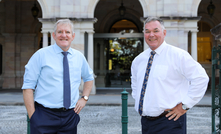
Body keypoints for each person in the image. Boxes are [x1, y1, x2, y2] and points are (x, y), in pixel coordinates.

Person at [131, 17, 209, 134]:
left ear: (164, 32)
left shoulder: (178, 55)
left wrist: (184, 106)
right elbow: (135, 85)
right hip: (146, 123)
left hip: (170, 122)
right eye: (147, 31)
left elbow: (201, 78)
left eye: (156, 31)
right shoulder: (139, 60)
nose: (151, 35)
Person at [22, 19, 94, 134]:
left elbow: (89, 78)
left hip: (70, 117)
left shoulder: (79, 57)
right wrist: (33, 117)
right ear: (54, 35)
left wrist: (84, 98)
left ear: (73, 36)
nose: (64, 35)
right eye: (60, 32)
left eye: (67, 32)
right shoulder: (40, 55)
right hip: (44, 116)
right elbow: (27, 87)